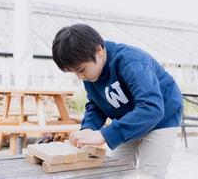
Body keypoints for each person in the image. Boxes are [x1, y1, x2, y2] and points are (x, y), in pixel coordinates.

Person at [51, 23, 183, 179]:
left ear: (99, 51)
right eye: (74, 73)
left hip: (162, 119)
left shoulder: (131, 62)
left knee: (148, 174)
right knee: (115, 171)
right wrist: (88, 128)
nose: (80, 77)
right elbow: (96, 105)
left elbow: (152, 108)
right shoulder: (91, 73)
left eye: (81, 70)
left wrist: (104, 135)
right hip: (128, 120)